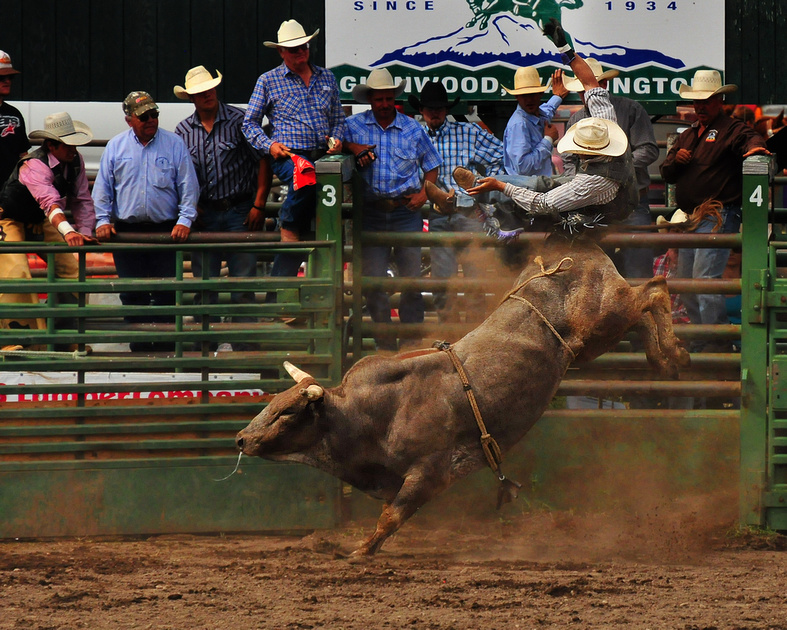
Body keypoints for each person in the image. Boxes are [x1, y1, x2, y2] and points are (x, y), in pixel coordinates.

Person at [432, 20, 637, 239]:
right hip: (611, 190)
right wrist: (565, 50)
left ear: (586, 151)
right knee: (540, 184)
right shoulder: (605, 120)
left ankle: (459, 202)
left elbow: (543, 203)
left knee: (538, 192)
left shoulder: (589, 185)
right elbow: (589, 82)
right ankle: (464, 198)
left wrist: (501, 186)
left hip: (602, 208)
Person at [659, 69, 768, 353]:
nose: (700, 106)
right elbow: (667, 172)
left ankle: (715, 342)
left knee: (704, 280)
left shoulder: (732, 129)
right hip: (693, 217)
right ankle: (705, 337)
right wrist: (677, 161)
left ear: (719, 100)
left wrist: (756, 149)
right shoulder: (688, 136)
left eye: (706, 101)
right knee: (687, 282)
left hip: (717, 214)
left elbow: (751, 140)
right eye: (697, 102)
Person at [92, 91, 199, 352]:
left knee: (166, 292)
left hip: (166, 230)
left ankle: (164, 346)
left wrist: (185, 220)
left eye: (154, 114)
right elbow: (103, 188)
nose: (151, 120)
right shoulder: (116, 147)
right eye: (144, 116)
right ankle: (139, 346)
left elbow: (188, 185)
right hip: (127, 231)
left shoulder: (174, 144)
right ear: (130, 120)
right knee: (132, 292)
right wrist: (102, 220)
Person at [344, 68, 442, 351]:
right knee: (374, 281)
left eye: (388, 98)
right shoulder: (354, 127)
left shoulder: (412, 127)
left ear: (394, 98)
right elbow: (334, 144)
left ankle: (411, 342)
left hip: (404, 210)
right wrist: (353, 146)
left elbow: (432, 164)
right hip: (372, 211)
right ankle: (386, 344)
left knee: (411, 279)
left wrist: (424, 193)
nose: (384, 104)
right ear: (371, 100)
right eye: (379, 99)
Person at [242, 19, 346, 284]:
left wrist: (337, 139)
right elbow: (249, 122)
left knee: (319, 200)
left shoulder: (327, 77)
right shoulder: (268, 80)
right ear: (281, 52)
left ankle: (280, 288)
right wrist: (270, 145)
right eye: (294, 49)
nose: (301, 51)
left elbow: (337, 118)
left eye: (304, 46)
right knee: (306, 178)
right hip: (289, 154)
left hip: (324, 153)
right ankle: (287, 222)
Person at [174, 65, 271, 349]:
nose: (207, 95)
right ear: (191, 98)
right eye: (201, 92)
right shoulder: (182, 130)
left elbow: (262, 158)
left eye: (210, 89)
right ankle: (206, 344)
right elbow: (177, 174)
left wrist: (259, 202)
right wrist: (189, 207)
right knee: (205, 285)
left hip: (241, 208)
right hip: (205, 213)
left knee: (243, 282)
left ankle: (246, 345)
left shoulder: (241, 121)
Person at [409, 80, 504, 323]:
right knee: (442, 281)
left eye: (439, 107)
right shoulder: (414, 137)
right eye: (430, 108)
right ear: (421, 110)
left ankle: (471, 334)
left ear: (447, 109)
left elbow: (502, 156)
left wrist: (480, 184)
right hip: (439, 214)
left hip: (469, 212)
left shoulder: (468, 132)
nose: (434, 112)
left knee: (475, 279)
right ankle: (448, 333)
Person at [0, 112, 96, 342]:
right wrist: (69, 231)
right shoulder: (33, 165)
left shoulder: (75, 161)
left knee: (72, 272)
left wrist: (83, 233)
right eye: (67, 145)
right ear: (52, 145)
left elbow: (81, 198)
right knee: (16, 274)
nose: (73, 150)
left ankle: (65, 337)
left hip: (41, 218)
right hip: (8, 218)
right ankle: (16, 341)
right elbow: (49, 202)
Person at [561, 58, 659, 279]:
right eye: (581, 91)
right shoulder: (576, 119)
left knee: (637, 271)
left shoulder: (631, 110)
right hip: (595, 207)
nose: (583, 96)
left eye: (586, 89)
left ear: (603, 87)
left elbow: (648, 150)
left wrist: (614, 170)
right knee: (597, 273)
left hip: (630, 203)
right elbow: (568, 162)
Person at [502, 66, 567, 177]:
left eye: (532, 95)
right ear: (517, 97)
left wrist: (558, 96)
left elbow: (547, 110)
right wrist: (548, 139)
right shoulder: (519, 124)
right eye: (524, 96)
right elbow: (523, 167)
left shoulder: (537, 116)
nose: (529, 100)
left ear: (540, 94)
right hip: (526, 189)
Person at [0, 51, 30, 185]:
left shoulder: (14, 114)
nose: (7, 81)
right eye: (1, 78)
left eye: (10, 77)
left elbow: (23, 154)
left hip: (9, 193)